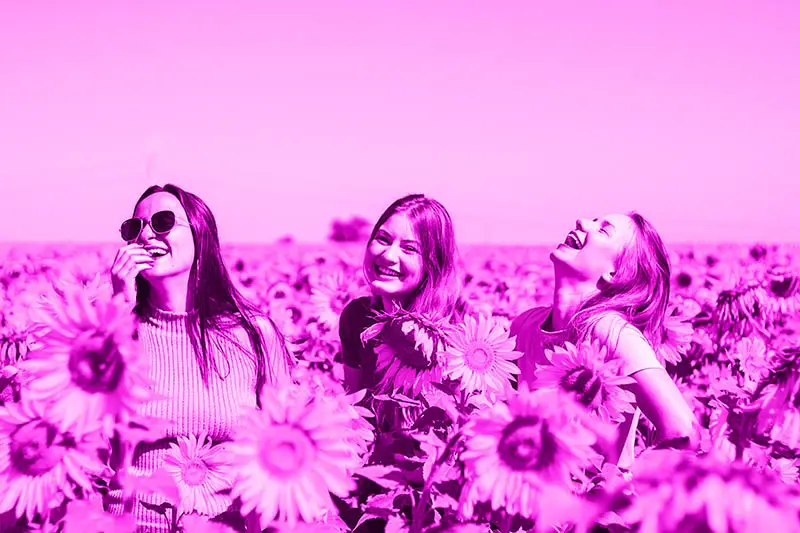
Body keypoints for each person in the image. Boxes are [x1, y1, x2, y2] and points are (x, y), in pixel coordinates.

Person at [104, 184, 294, 532]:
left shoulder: (253, 335)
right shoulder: (114, 330)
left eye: (162, 222)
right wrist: (118, 309)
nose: (146, 235)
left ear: (201, 234)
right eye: (135, 227)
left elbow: (284, 444)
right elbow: (88, 435)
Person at [511, 213, 698, 470]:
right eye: (593, 221)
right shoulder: (525, 325)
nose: (582, 222)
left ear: (615, 272)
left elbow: (682, 430)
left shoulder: (610, 332)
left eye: (603, 230)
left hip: (592, 503)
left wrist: (629, 487)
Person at [338, 194, 468, 397]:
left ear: (433, 264)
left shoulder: (460, 330)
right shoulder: (356, 317)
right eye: (383, 239)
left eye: (409, 249)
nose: (388, 256)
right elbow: (352, 404)